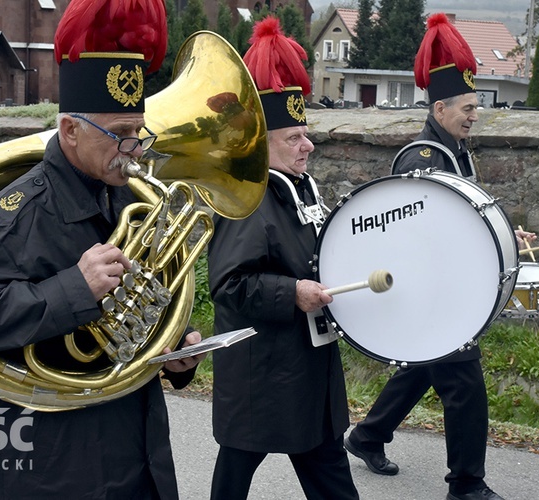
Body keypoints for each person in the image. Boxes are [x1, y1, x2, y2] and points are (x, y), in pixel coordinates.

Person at [0, 1, 205, 498]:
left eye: (138, 132)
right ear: (70, 131)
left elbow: (146, 295)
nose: (136, 150)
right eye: (119, 135)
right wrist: (72, 288)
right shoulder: (20, 209)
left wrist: (177, 345)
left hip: (136, 454)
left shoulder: (126, 195)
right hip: (48, 468)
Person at [343, 13, 535, 500]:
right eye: (467, 108)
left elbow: (463, 219)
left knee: (424, 365)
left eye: (476, 108)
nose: (474, 115)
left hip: (445, 287)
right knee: (464, 386)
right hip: (432, 291)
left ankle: (366, 436)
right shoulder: (424, 158)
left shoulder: (455, 151)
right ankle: (466, 485)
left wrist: (502, 233)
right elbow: (415, 233)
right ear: (441, 106)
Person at [207, 17, 359, 500]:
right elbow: (228, 284)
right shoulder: (247, 200)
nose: (308, 145)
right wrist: (292, 291)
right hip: (263, 368)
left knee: (325, 460)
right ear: (261, 144)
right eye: (293, 137)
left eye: (305, 133)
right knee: (238, 462)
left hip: (306, 363)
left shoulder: (302, 188)